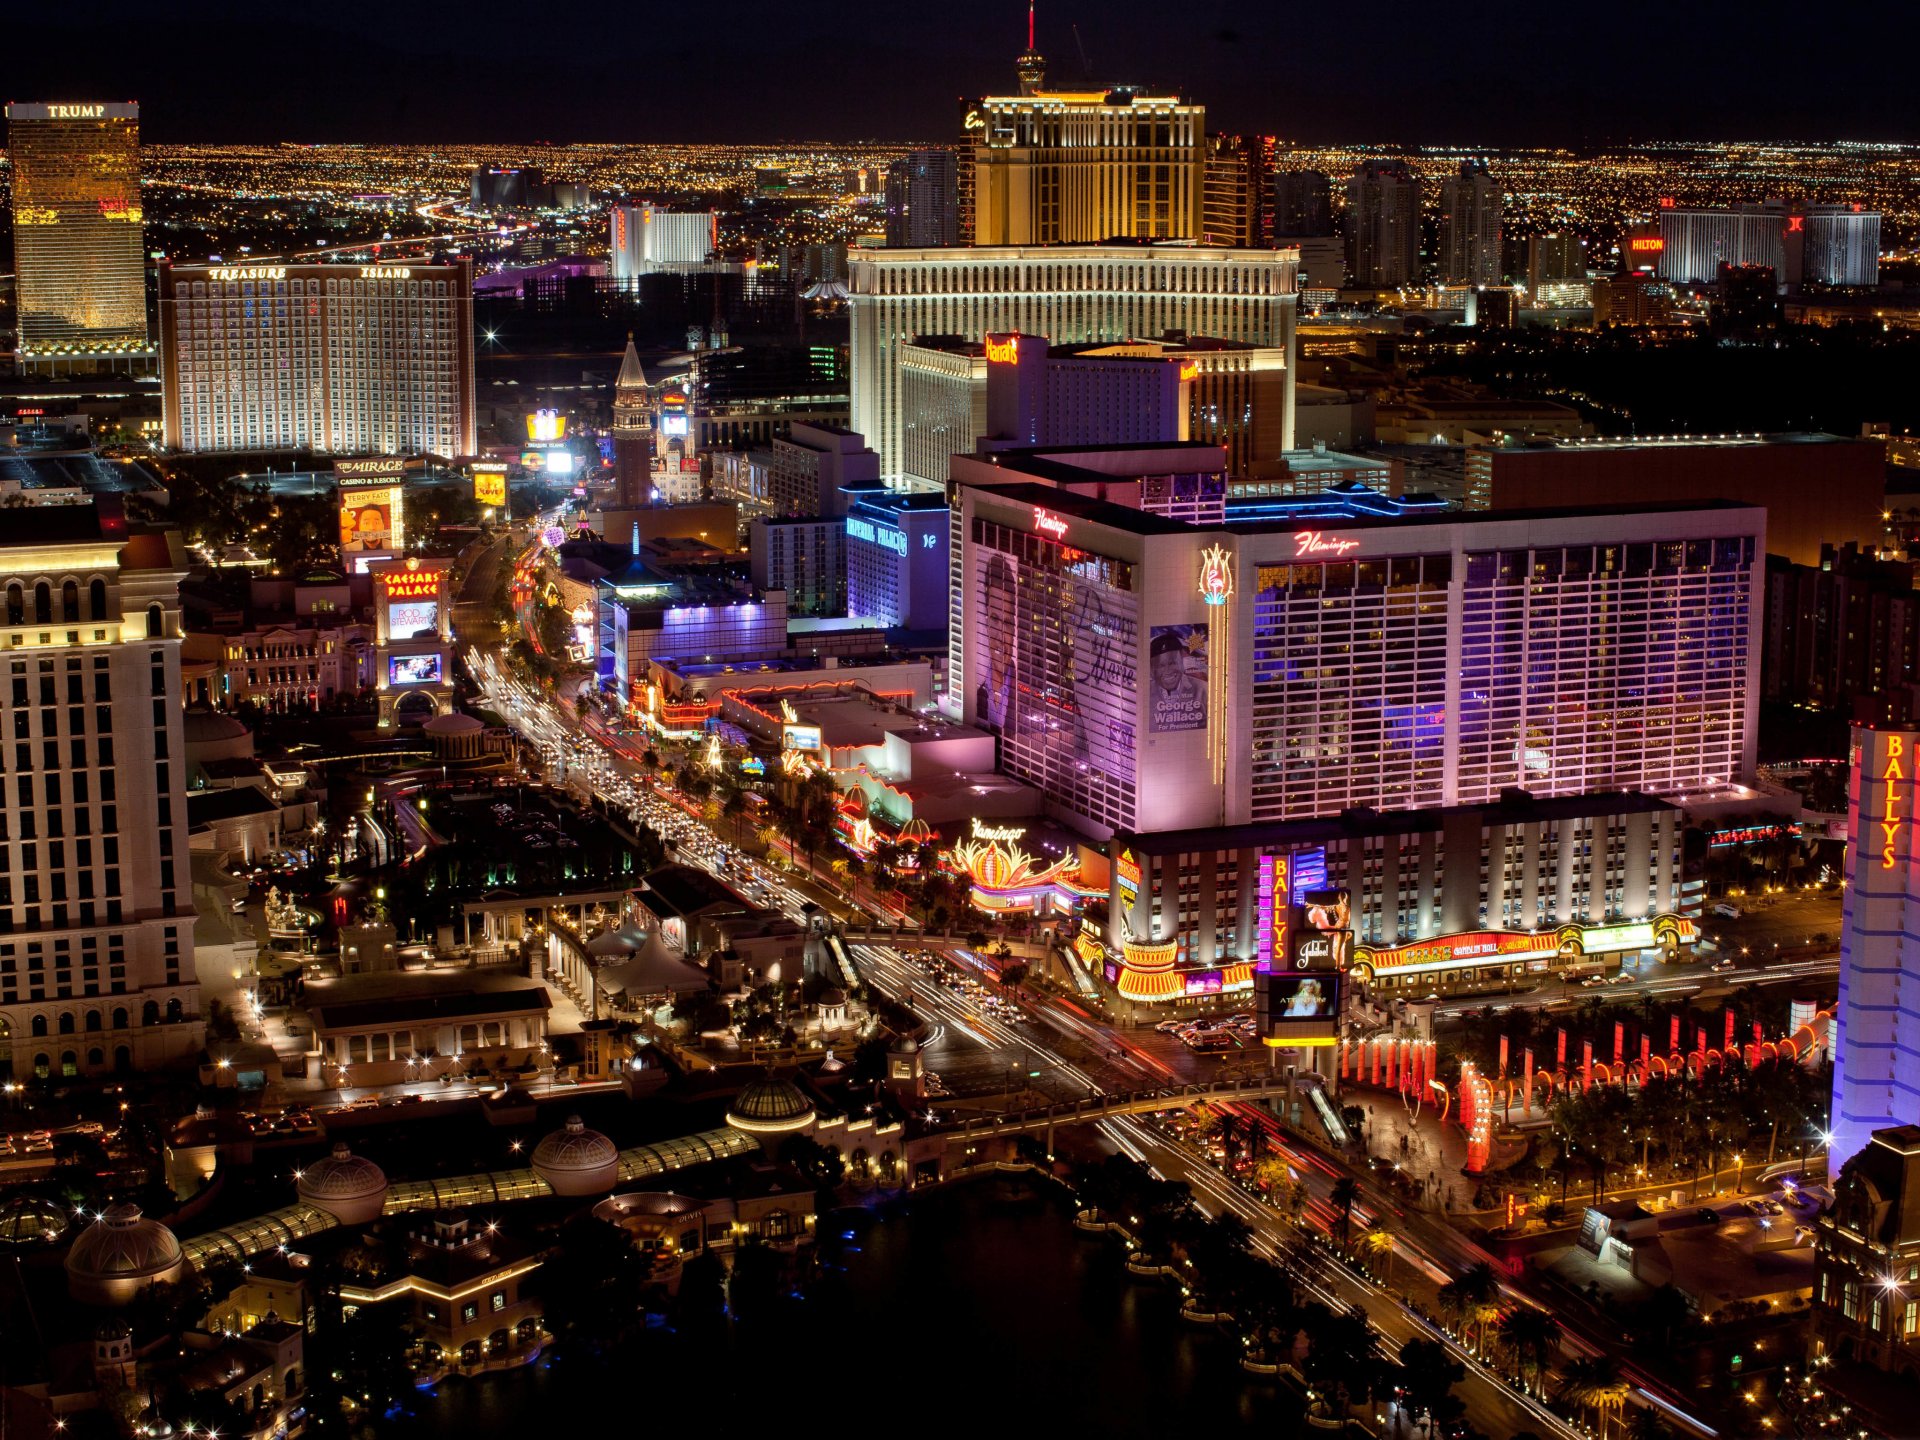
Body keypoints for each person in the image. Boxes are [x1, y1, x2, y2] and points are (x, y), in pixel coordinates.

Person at [1149, 628, 1204, 731]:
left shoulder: (1202, 689)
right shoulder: (1145, 694)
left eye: (1172, 663)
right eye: (1161, 666)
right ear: (1152, 671)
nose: (1168, 671)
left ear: (1182, 663)